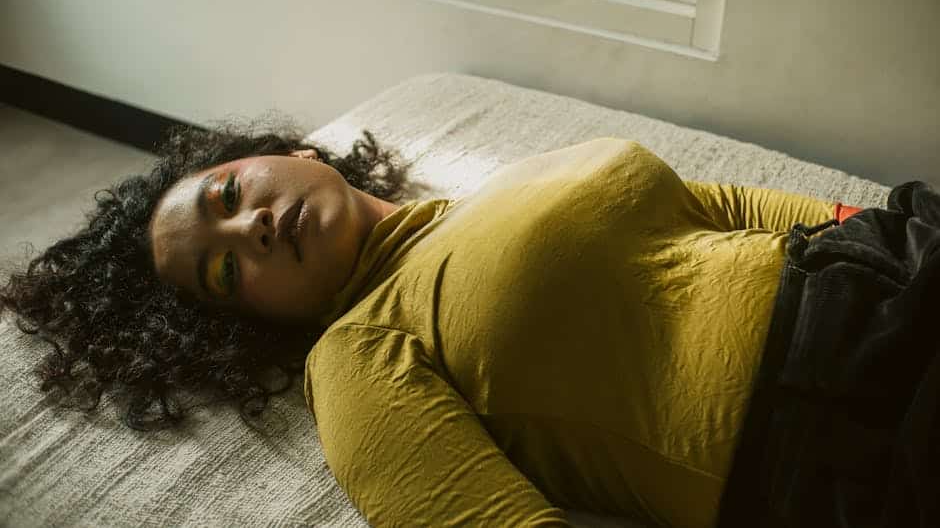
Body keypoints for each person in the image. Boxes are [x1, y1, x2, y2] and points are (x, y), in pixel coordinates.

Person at [0, 121, 934, 528]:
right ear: (253, 317)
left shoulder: (495, 191)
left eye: (230, 194)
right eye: (224, 268)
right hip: (832, 417)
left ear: (288, 156)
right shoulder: (356, 355)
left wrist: (878, 234)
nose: (251, 228)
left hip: (888, 265)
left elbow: (714, 200)